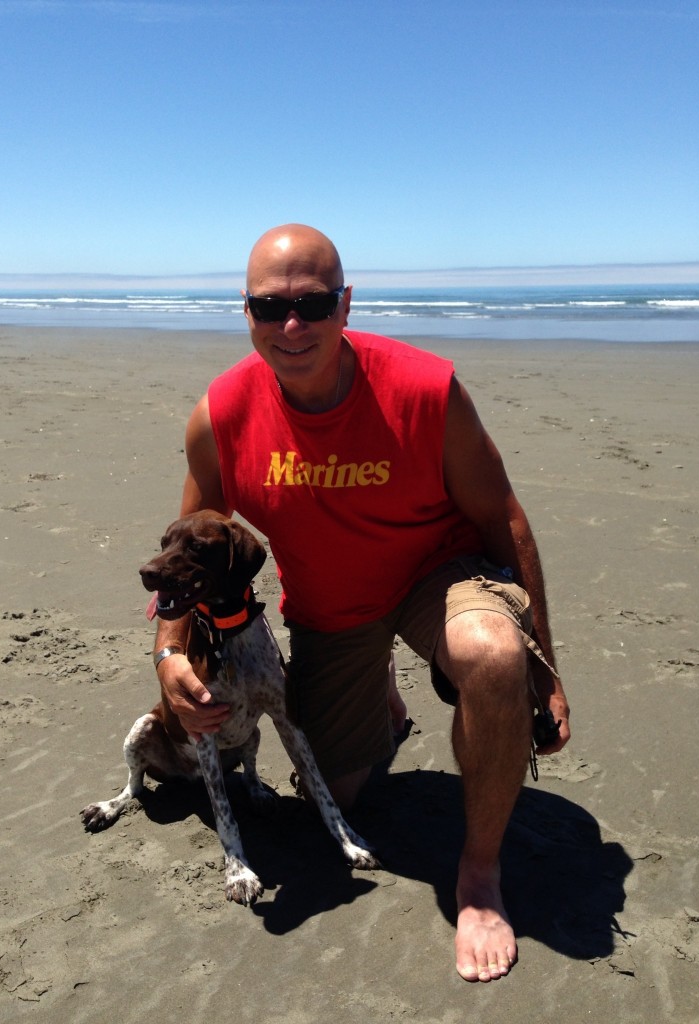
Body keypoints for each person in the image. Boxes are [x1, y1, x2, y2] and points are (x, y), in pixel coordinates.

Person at [152, 224, 571, 983]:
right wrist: (170, 651)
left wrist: (543, 664)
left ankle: (478, 877)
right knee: (343, 797)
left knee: (490, 654)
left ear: (346, 305)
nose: (292, 326)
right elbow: (191, 548)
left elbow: (502, 514)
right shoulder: (221, 416)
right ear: (242, 311)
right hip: (333, 610)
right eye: (270, 306)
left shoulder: (423, 388)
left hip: (437, 576)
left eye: (312, 305)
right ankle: (386, 699)